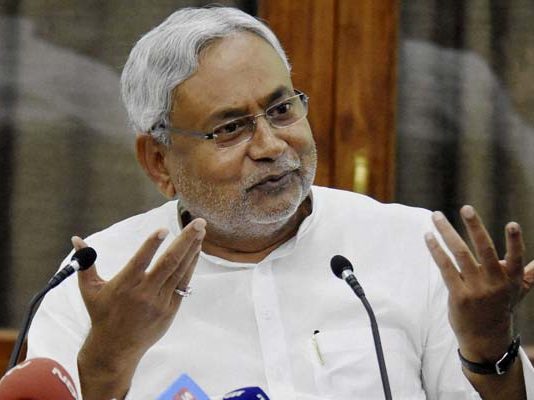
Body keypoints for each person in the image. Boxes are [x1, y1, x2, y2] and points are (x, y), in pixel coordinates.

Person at [27, 6, 534, 400]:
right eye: (230, 128)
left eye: (281, 109)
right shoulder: (98, 282)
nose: (271, 145)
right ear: (159, 161)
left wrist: (490, 347)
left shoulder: (410, 246)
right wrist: (108, 360)